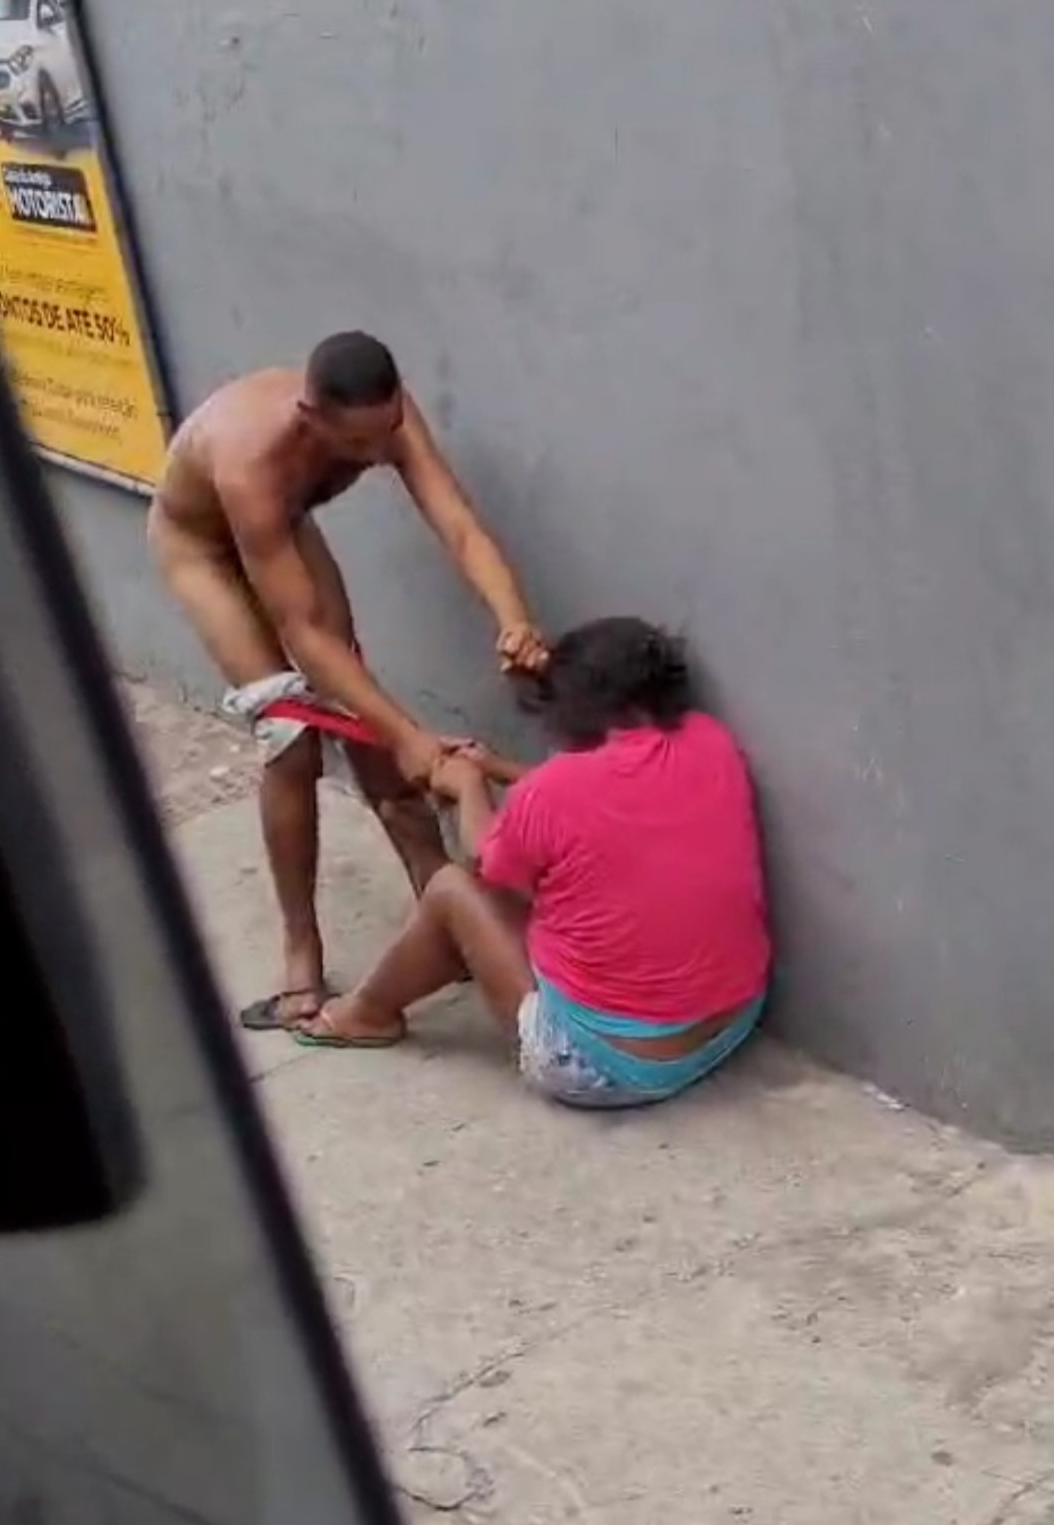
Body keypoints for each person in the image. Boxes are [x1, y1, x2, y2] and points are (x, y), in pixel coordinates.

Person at [148, 332, 546, 1030]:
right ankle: (301, 957)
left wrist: (514, 619)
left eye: (386, 432)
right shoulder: (251, 462)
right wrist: (409, 735)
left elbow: (458, 525)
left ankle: (439, 898)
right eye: (359, 444)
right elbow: (305, 633)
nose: (378, 453)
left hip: (280, 526)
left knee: (362, 711)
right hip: (200, 546)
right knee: (291, 735)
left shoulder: (387, 416)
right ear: (311, 417)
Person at [297, 618, 772, 1109]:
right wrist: (498, 768)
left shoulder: (552, 791)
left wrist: (468, 787)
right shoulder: (710, 741)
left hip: (611, 1070)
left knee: (452, 891)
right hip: (732, 1023)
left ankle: (366, 1014)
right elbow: (601, 799)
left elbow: (486, 862)